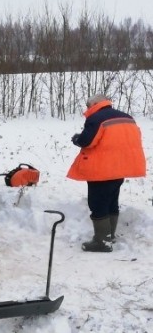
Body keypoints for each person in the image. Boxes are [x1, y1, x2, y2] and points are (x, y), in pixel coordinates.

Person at [67, 94, 146, 252]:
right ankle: (110, 236)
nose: (88, 109)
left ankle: (101, 242)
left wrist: (77, 139)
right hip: (121, 167)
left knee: (98, 203)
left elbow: (87, 141)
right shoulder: (127, 117)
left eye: (89, 105)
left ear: (95, 104)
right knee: (111, 201)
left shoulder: (96, 118)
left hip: (101, 169)